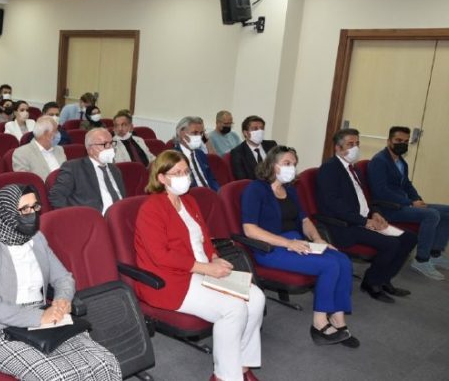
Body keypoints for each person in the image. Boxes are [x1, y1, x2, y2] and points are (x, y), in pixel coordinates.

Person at [0, 184, 121, 380]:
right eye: (24, 209)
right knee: (59, 377)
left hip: (44, 319)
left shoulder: (36, 238)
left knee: (106, 363)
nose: (32, 214)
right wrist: (39, 317)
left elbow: (63, 278)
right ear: (6, 212)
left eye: (34, 207)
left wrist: (62, 300)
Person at [135, 150, 264, 381]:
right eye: (177, 173)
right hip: (171, 280)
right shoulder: (151, 208)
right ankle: (225, 376)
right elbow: (160, 256)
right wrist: (205, 268)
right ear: (161, 178)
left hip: (202, 269)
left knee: (256, 298)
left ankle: (242, 365)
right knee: (234, 309)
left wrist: (213, 257)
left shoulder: (189, 201)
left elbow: (204, 238)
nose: (184, 176)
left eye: (186, 171)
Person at [241, 146, 357, 348]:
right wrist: (288, 243)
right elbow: (250, 229)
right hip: (271, 248)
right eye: (286, 163)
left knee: (343, 260)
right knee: (329, 265)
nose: (291, 168)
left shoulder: (290, 189)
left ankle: (338, 319)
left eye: (294, 164)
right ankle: (319, 324)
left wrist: (318, 239)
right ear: (272, 164)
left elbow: (304, 220)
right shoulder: (256, 189)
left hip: (296, 241)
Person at [317, 129, 415, 302]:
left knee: (409, 238)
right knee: (391, 244)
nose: (355, 148)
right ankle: (371, 283)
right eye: (350, 144)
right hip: (345, 226)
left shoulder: (354, 168)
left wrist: (376, 213)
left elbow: (367, 197)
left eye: (357, 143)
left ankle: (384, 279)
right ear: (338, 148)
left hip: (364, 219)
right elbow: (333, 205)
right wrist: (365, 221)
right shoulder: (329, 169)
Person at [368, 126, 449, 280]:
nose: (402, 144)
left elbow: (407, 184)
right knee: (432, 215)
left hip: (405, 204)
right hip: (388, 208)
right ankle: (421, 260)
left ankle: (435, 253)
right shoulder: (379, 161)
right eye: (398, 140)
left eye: (406, 141)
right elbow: (381, 192)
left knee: (446, 211)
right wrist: (410, 202)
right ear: (389, 141)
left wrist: (417, 199)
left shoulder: (401, 162)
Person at [49, 128, 126, 214]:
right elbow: (56, 196)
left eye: (111, 143)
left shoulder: (114, 169)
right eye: (104, 144)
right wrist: (76, 216)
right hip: (93, 218)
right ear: (90, 149)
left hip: (120, 216)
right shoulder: (74, 168)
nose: (110, 148)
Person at [172, 116, 220, 191]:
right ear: (182, 133)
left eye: (201, 133)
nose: (199, 136)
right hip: (191, 195)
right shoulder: (173, 157)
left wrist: (218, 193)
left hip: (210, 193)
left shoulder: (200, 154)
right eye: (195, 133)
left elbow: (211, 179)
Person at [12, 116, 66, 181]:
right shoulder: (22, 153)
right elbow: (26, 182)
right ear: (46, 135)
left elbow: (67, 174)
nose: (58, 134)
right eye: (56, 131)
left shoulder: (60, 149)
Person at [230, 115, 277, 180]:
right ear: (245, 133)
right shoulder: (238, 152)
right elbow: (242, 178)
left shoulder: (272, 145)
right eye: (255, 129)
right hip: (255, 185)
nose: (260, 131)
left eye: (262, 128)